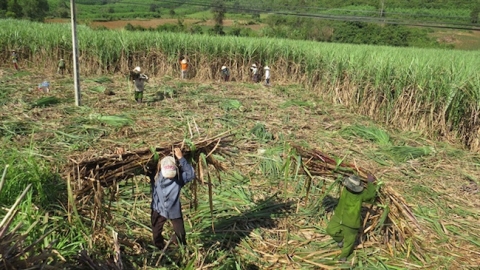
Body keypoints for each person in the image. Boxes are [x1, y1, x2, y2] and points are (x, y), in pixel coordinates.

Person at [150, 148, 195, 251]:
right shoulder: (155, 176)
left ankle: (179, 248)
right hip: (158, 209)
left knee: (181, 234)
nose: (169, 178)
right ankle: (161, 251)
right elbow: (139, 168)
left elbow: (191, 174)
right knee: (156, 236)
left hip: (174, 210)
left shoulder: (179, 178)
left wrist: (181, 158)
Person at [326, 174, 377, 262]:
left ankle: (343, 256)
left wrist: (370, 183)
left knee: (349, 242)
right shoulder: (345, 188)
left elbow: (371, 196)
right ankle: (340, 239)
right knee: (330, 230)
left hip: (351, 222)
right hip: (339, 217)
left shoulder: (361, 194)